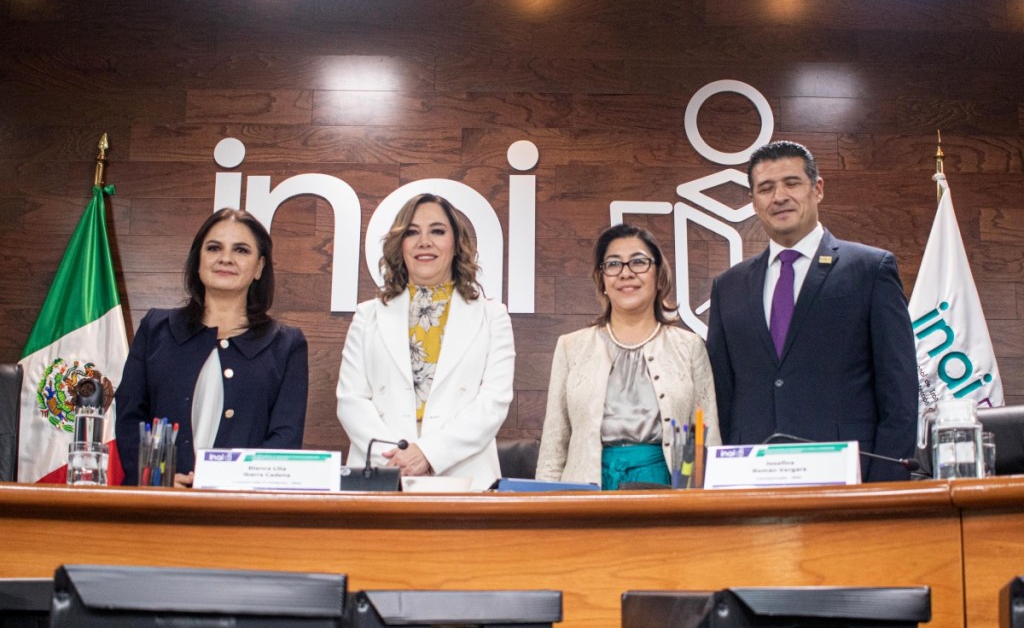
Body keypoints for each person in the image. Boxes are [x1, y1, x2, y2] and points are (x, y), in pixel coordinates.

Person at [705, 140, 917, 482]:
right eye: (766, 188)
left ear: (817, 189)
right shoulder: (728, 286)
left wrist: (883, 486)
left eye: (792, 183)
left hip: (848, 481)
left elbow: (900, 392)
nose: (779, 197)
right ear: (753, 202)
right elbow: (721, 396)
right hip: (749, 482)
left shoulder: (870, 270)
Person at [115, 208, 308, 486]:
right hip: (156, 505)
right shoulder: (156, 328)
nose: (225, 258)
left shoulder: (286, 345)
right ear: (198, 260)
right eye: (214, 248)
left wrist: (230, 486)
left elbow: (284, 440)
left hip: (241, 514)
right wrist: (158, 481)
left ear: (259, 268)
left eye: (241, 250)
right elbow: (130, 417)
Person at [336, 193, 515, 490]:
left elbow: (492, 403)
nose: (424, 242)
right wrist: (399, 460)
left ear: (456, 244)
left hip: (463, 475)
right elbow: (351, 401)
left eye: (437, 231)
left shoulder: (493, 316)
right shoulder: (367, 316)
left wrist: (429, 454)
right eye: (412, 232)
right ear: (400, 244)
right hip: (381, 474)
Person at [536, 224, 719, 489]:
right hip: (586, 490)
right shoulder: (571, 347)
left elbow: (707, 437)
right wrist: (545, 509)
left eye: (638, 262)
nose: (625, 273)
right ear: (602, 280)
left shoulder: (689, 346)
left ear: (659, 275)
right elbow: (554, 444)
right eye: (613, 264)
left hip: (665, 487)